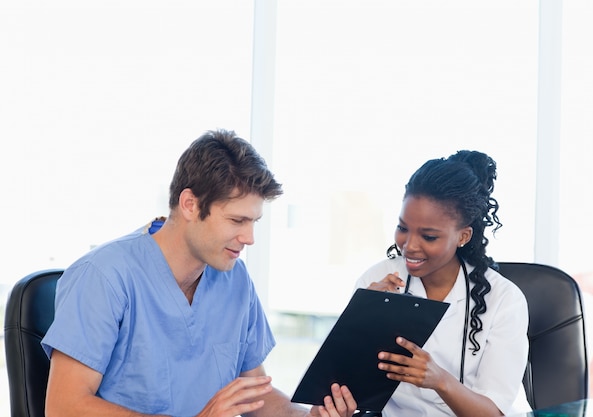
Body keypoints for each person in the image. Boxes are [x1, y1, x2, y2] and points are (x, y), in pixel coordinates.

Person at [41, 129, 357, 417]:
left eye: (253, 222)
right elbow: (64, 407)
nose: (249, 238)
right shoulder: (104, 276)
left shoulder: (235, 279)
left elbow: (255, 394)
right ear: (190, 205)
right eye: (236, 221)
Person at [354, 150, 531, 417]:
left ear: (463, 236)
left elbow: (493, 413)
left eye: (429, 236)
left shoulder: (504, 299)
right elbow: (341, 382)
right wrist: (360, 316)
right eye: (403, 228)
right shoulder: (376, 280)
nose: (409, 246)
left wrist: (440, 380)